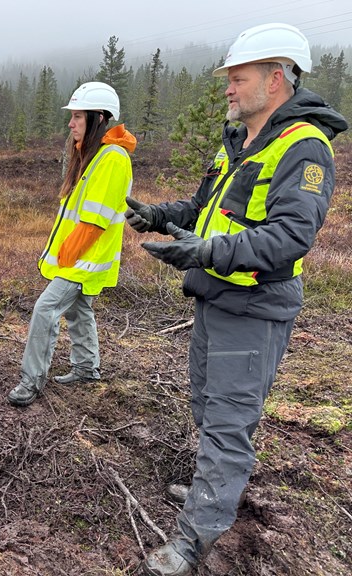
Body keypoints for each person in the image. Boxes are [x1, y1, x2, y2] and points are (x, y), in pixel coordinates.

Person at [124, 23, 348, 576]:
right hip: (216, 300)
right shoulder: (241, 143)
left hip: (253, 308)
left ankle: (193, 540)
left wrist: (206, 253)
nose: (228, 88)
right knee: (207, 403)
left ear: (276, 80)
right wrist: (160, 215)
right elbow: (204, 206)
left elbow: (292, 235)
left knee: (228, 421)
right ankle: (211, 492)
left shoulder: (304, 147)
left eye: (237, 78)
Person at [7, 82, 136, 407]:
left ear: (98, 118)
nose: (71, 123)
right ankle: (86, 368)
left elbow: (96, 220)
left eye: (78, 116)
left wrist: (68, 255)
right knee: (80, 310)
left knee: (45, 309)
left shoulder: (112, 158)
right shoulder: (93, 157)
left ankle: (31, 381)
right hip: (81, 259)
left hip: (84, 260)